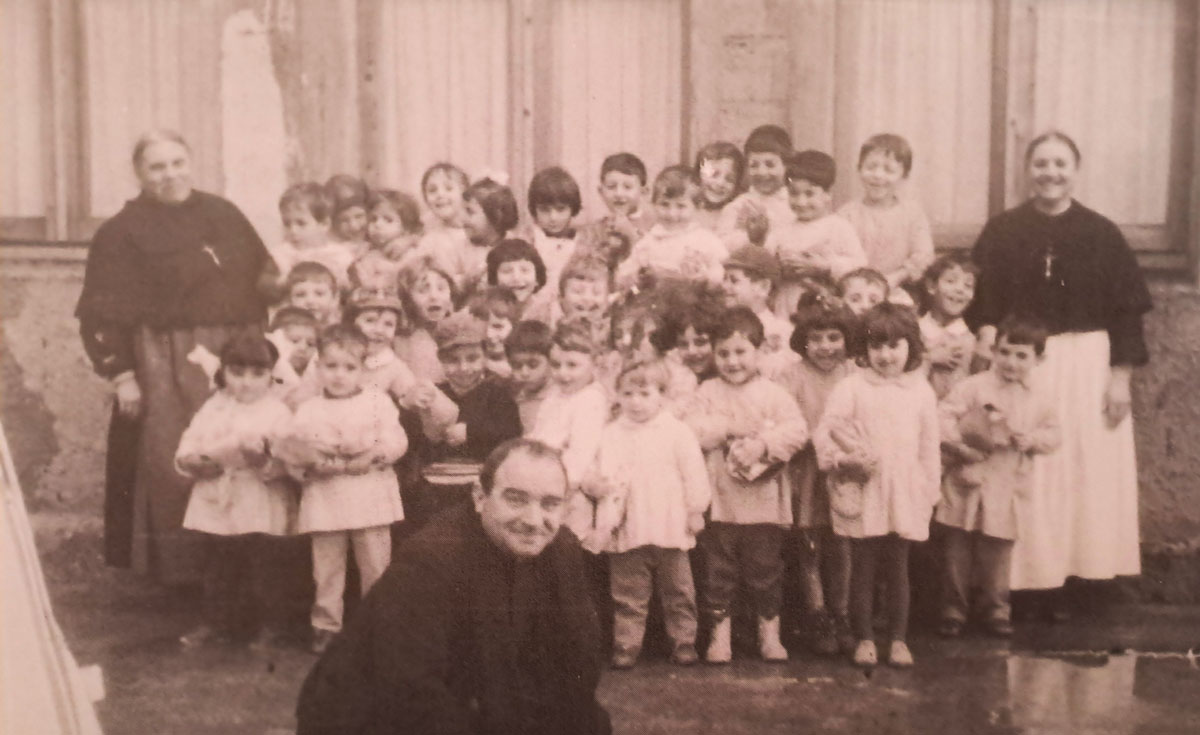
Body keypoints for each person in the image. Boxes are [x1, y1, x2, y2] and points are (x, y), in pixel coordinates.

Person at [295, 439, 611, 735]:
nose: (533, 520)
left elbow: (579, 661)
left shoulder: (562, 549)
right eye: (516, 499)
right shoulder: (431, 559)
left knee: (589, 721)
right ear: (480, 497)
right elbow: (409, 689)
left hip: (464, 700)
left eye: (550, 504)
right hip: (363, 715)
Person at [965, 130, 1153, 617]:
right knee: (1031, 467)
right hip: (1026, 362)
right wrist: (986, 339)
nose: (1050, 173)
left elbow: (1127, 313)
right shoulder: (1004, 230)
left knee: (1088, 468)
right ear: (1028, 170)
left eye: (1060, 163)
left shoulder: (1101, 233)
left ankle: (1087, 578)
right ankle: (1028, 581)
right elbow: (982, 301)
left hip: (1089, 363)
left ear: (1075, 170)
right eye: (1041, 163)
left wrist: (1120, 378)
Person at [76, 129, 272, 583]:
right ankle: (185, 576)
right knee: (176, 460)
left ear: (191, 162)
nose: (170, 175)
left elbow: (265, 281)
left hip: (235, 358)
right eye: (157, 167)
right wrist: (123, 375)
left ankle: (240, 575)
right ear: (139, 174)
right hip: (162, 362)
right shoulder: (120, 232)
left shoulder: (224, 214)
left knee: (242, 452)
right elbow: (100, 314)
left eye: (177, 163)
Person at [813, 303, 940, 668]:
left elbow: (929, 447)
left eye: (894, 345)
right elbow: (827, 431)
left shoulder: (920, 391)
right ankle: (865, 637)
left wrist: (929, 490)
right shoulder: (851, 387)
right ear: (864, 349)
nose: (885, 355)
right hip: (865, 489)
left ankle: (898, 639)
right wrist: (844, 460)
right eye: (876, 346)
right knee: (863, 567)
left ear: (910, 347)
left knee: (898, 568)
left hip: (904, 490)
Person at [684, 307, 808, 663]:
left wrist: (763, 444)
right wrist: (726, 429)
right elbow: (690, 429)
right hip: (721, 504)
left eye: (741, 352)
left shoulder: (773, 393)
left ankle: (769, 635)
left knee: (765, 571)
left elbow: (797, 430)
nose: (732, 361)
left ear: (760, 351)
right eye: (723, 353)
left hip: (763, 505)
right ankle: (719, 637)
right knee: (718, 572)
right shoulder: (708, 391)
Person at [276, 325, 409, 654]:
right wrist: (311, 465)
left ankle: (376, 624)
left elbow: (396, 440)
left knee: (376, 564)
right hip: (326, 497)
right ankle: (326, 624)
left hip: (370, 493)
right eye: (331, 366)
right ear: (318, 366)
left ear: (363, 369)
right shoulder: (309, 410)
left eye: (349, 367)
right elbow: (293, 451)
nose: (339, 375)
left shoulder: (378, 401)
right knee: (327, 567)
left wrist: (372, 455)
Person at [936, 317, 1061, 638]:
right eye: (1004, 352)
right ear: (993, 351)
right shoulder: (973, 386)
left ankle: (995, 608)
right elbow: (942, 416)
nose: (1011, 362)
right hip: (968, 477)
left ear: (1039, 359)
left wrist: (1031, 440)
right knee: (958, 547)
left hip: (1007, 484)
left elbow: (1054, 435)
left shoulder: (1040, 397)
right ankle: (953, 608)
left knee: (998, 549)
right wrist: (960, 444)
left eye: (1021, 356)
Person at [585, 360, 711, 669]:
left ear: (662, 396)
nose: (636, 402)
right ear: (618, 396)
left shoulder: (677, 432)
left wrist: (696, 509)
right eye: (628, 394)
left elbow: (694, 473)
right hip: (628, 525)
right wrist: (595, 487)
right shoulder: (610, 434)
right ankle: (627, 644)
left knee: (679, 590)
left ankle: (683, 641)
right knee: (628, 592)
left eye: (645, 393)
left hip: (670, 524)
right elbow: (595, 470)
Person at [174, 334, 295, 648]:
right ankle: (217, 621)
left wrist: (262, 460)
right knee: (218, 563)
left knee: (262, 564)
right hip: (217, 493)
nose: (246, 383)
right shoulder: (214, 406)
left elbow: (287, 461)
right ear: (223, 373)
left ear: (271, 376)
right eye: (237, 373)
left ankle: (271, 624)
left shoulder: (277, 411)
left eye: (258, 374)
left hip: (257, 495)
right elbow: (191, 439)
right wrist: (189, 460)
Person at [773, 290, 857, 656]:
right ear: (802, 341)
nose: (825, 347)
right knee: (809, 546)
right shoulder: (792, 375)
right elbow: (781, 418)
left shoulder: (854, 374)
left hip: (844, 471)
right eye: (816, 338)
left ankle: (842, 613)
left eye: (834, 337)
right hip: (806, 469)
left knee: (843, 544)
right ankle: (817, 614)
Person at [765, 150, 867, 319]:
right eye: (794, 193)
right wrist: (779, 267)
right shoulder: (781, 230)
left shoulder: (839, 227)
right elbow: (764, 266)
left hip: (825, 308)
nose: (801, 202)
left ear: (828, 194)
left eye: (810, 194)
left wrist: (825, 267)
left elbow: (859, 268)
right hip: (787, 304)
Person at [837, 133, 935, 299]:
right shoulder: (847, 214)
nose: (878, 175)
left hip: (896, 289)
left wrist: (896, 278)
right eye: (871, 167)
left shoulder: (912, 213)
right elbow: (839, 258)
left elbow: (923, 255)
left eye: (889, 170)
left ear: (904, 176)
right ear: (859, 169)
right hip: (854, 293)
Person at [615, 165, 727, 289]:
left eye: (681, 206)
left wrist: (705, 277)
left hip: (695, 297)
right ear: (654, 204)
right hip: (656, 297)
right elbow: (623, 276)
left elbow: (722, 273)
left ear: (698, 206)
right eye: (664, 204)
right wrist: (635, 275)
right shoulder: (648, 242)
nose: (672, 214)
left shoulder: (706, 240)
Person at [716, 124, 794, 251]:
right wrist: (749, 236)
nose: (762, 172)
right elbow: (720, 248)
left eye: (770, 165)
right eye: (754, 165)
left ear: (787, 166)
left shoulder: (796, 203)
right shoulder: (738, 206)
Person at [575, 152, 656, 272]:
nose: (619, 193)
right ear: (601, 191)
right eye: (611, 187)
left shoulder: (654, 227)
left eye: (627, 187)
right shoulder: (593, 231)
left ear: (644, 192)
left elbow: (654, 264)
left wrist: (631, 235)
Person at [919, 253, 979, 400]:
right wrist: (930, 358)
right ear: (931, 286)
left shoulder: (970, 340)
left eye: (968, 285)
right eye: (951, 281)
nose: (960, 289)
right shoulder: (915, 330)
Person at [522, 166, 582, 289]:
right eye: (544, 210)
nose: (553, 217)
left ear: (573, 208)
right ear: (534, 210)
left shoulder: (582, 242)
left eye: (561, 209)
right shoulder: (528, 241)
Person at [692, 140, 745, 231]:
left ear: (736, 186)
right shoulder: (688, 211)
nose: (720, 183)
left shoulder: (736, 215)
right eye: (713, 174)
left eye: (729, 179)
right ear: (698, 175)